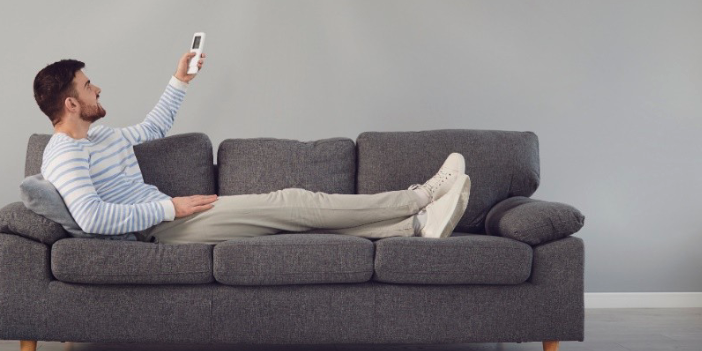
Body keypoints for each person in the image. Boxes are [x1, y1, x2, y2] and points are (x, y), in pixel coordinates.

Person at [32, 51, 471, 245]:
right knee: (294, 202)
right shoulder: (66, 153)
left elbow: (154, 127)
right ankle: (420, 196)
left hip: (171, 217)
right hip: (161, 229)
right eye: (89, 86)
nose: (98, 88)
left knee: (290, 220)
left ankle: (413, 228)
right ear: (71, 103)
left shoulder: (100, 136)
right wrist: (171, 209)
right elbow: (90, 217)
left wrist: (180, 79)